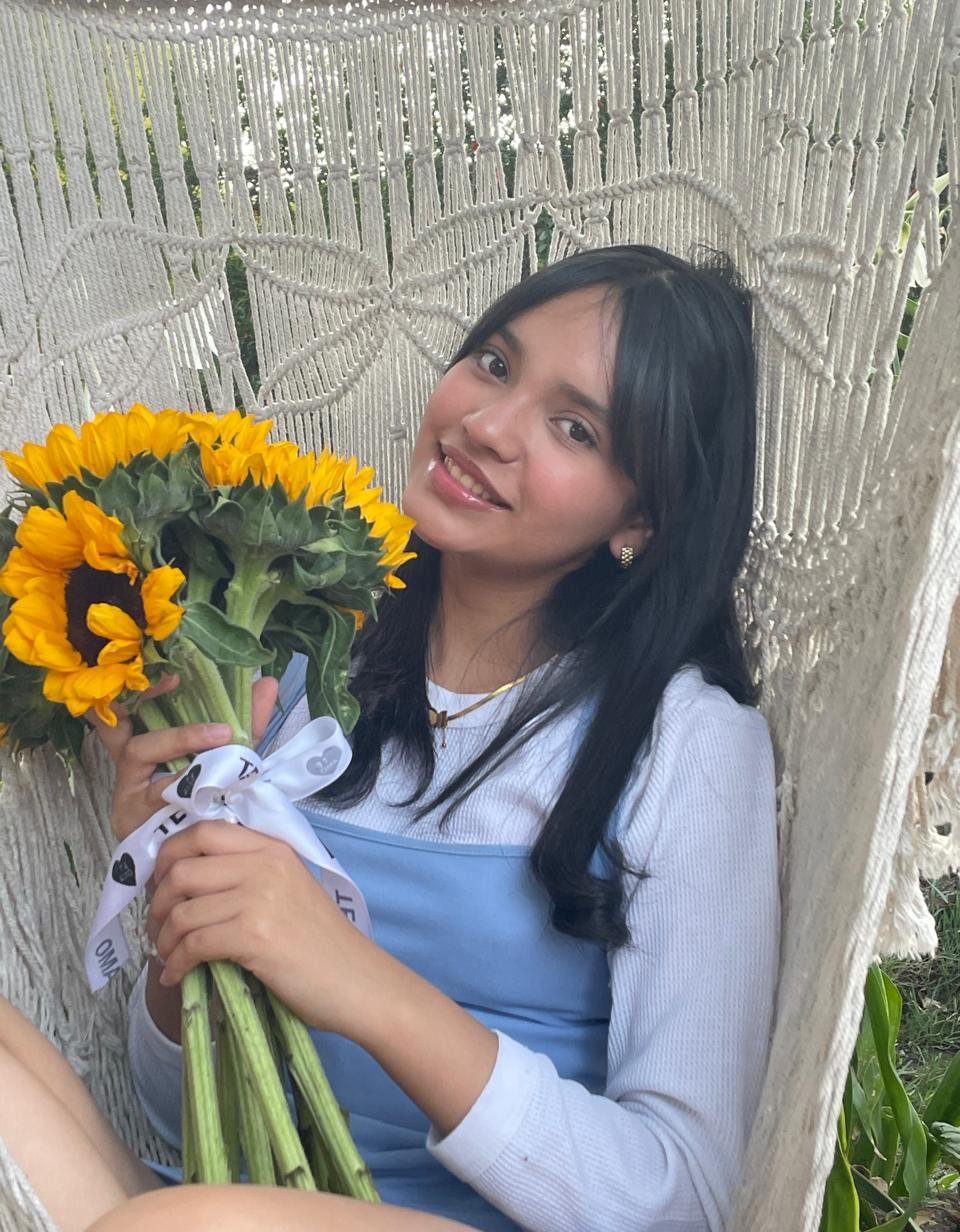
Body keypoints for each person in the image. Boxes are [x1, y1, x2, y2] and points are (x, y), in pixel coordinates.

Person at [0, 244, 779, 1232]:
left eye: (574, 427)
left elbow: (685, 1199)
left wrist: (356, 979)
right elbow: (176, 1115)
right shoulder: (295, 670)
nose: (487, 425)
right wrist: (180, 905)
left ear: (644, 520)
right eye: (494, 363)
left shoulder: (686, 744)